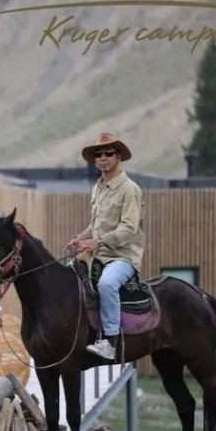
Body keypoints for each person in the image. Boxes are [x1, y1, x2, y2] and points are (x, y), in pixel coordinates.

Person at [67, 133, 146, 361]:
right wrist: (80, 239)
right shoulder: (98, 188)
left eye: (108, 153)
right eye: (98, 154)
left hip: (122, 258)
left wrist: (98, 242)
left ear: (118, 156)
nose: (103, 158)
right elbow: (96, 225)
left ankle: (110, 341)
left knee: (107, 284)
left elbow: (129, 229)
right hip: (97, 256)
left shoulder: (130, 189)